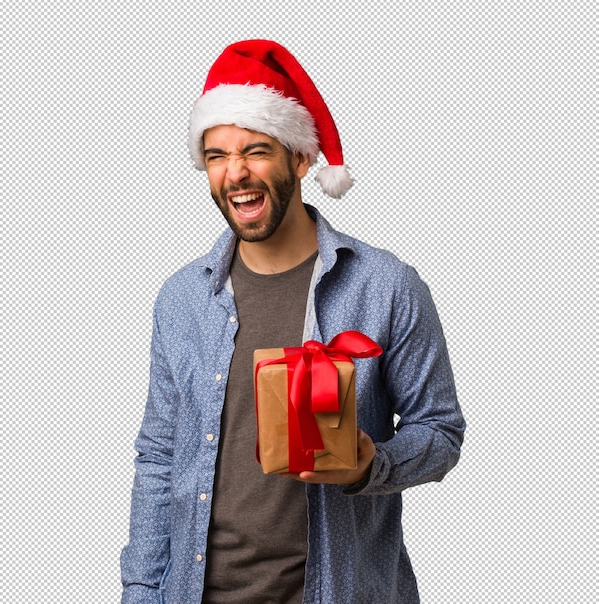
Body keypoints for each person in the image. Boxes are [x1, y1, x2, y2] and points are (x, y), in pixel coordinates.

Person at [120, 39, 465, 604]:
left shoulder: (386, 286)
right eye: (216, 156)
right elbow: (160, 455)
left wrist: (370, 463)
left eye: (255, 151)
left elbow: (441, 431)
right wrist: (139, 590)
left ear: (300, 159)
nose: (235, 174)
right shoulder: (182, 297)